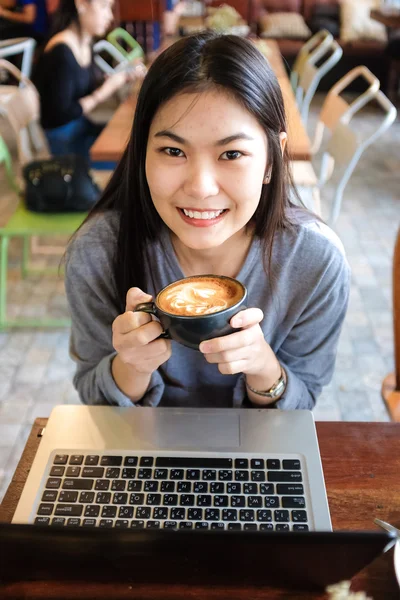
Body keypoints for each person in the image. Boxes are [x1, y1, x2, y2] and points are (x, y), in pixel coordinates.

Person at [65, 33, 351, 410]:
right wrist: (131, 367)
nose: (200, 188)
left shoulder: (315, 263)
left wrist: (263, 368)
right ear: (141, 153)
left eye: (231, 153)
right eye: (173, 150)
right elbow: (95, 403)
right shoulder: (98, 253)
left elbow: (303, 401)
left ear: (271, 160)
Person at [32, 0, 137, 159]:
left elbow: (82, 87)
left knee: (133, 141)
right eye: (103, 7)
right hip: (64, 140)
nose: (109, 16)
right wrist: (103, 92)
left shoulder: (85, 41)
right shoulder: (61, 51)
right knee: (130, 157)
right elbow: (61, 114)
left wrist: (122, 77)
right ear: (81, 4)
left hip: (81, 126)